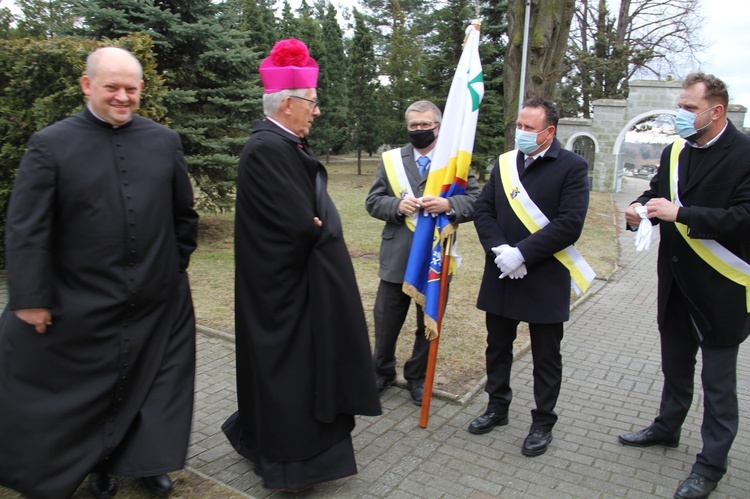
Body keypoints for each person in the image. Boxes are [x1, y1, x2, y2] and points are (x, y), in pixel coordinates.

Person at [0, 47, 199, 498]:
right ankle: (96, 466)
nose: (123, 97)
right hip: (80, 297)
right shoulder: (51, 143)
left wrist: (171, 269)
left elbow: (182, 216)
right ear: (87, 85)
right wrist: (31, 298)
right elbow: (27, 227)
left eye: (131, 88)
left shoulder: (163, 140)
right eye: (112, 87)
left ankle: (146, 462)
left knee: (153, 386)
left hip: (156, 297)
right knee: (84, 390)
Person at [221, 38, 381, 493]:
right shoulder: (269, 148)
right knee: (291, 379)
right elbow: (299, 226)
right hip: (285, 296)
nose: (316, 110)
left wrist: (316, 223)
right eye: (311, 102)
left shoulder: (282, 144)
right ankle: (292, 465)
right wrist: (316, 227)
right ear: (288, 102)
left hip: (293, 290)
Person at [619, 73, 750, 499]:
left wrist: (684, 214)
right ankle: (667, 427)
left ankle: (710, 465)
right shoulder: (676, 149)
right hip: (675, 281)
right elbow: (657, 193)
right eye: (680, 106)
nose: (681, 115)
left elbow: (743, 217)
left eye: (689, 108)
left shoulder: (746, 153)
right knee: (675, 367)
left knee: (718, 385)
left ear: (716, 111)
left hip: (722, 287)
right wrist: (639, 209)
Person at [469, 98, 590, 457]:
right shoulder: (505, 164)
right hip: (503, 271)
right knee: (497, 347)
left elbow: (570, 223)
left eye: (528, 128)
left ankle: (542, 422)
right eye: (518, 126)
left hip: (545, 274)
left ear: (549, 132)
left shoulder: (572, 167)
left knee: (546, 356)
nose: (520, 133)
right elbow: (483, 210)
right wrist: (501, 251)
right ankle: (496, 407)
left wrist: (523, 253)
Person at [365, 100, 480, 406]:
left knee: (427, 324)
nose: (419, 130)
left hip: (434, 257)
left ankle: (417, 378)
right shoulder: (390, 160)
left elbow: (477, 200)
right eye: (413, 125)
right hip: (397, 256)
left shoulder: (454, 162)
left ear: (438, 126)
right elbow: (373, 200)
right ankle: (382, 371)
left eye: (425, 125)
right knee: (385, 321)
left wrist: (450, 206)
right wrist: (396, 205)